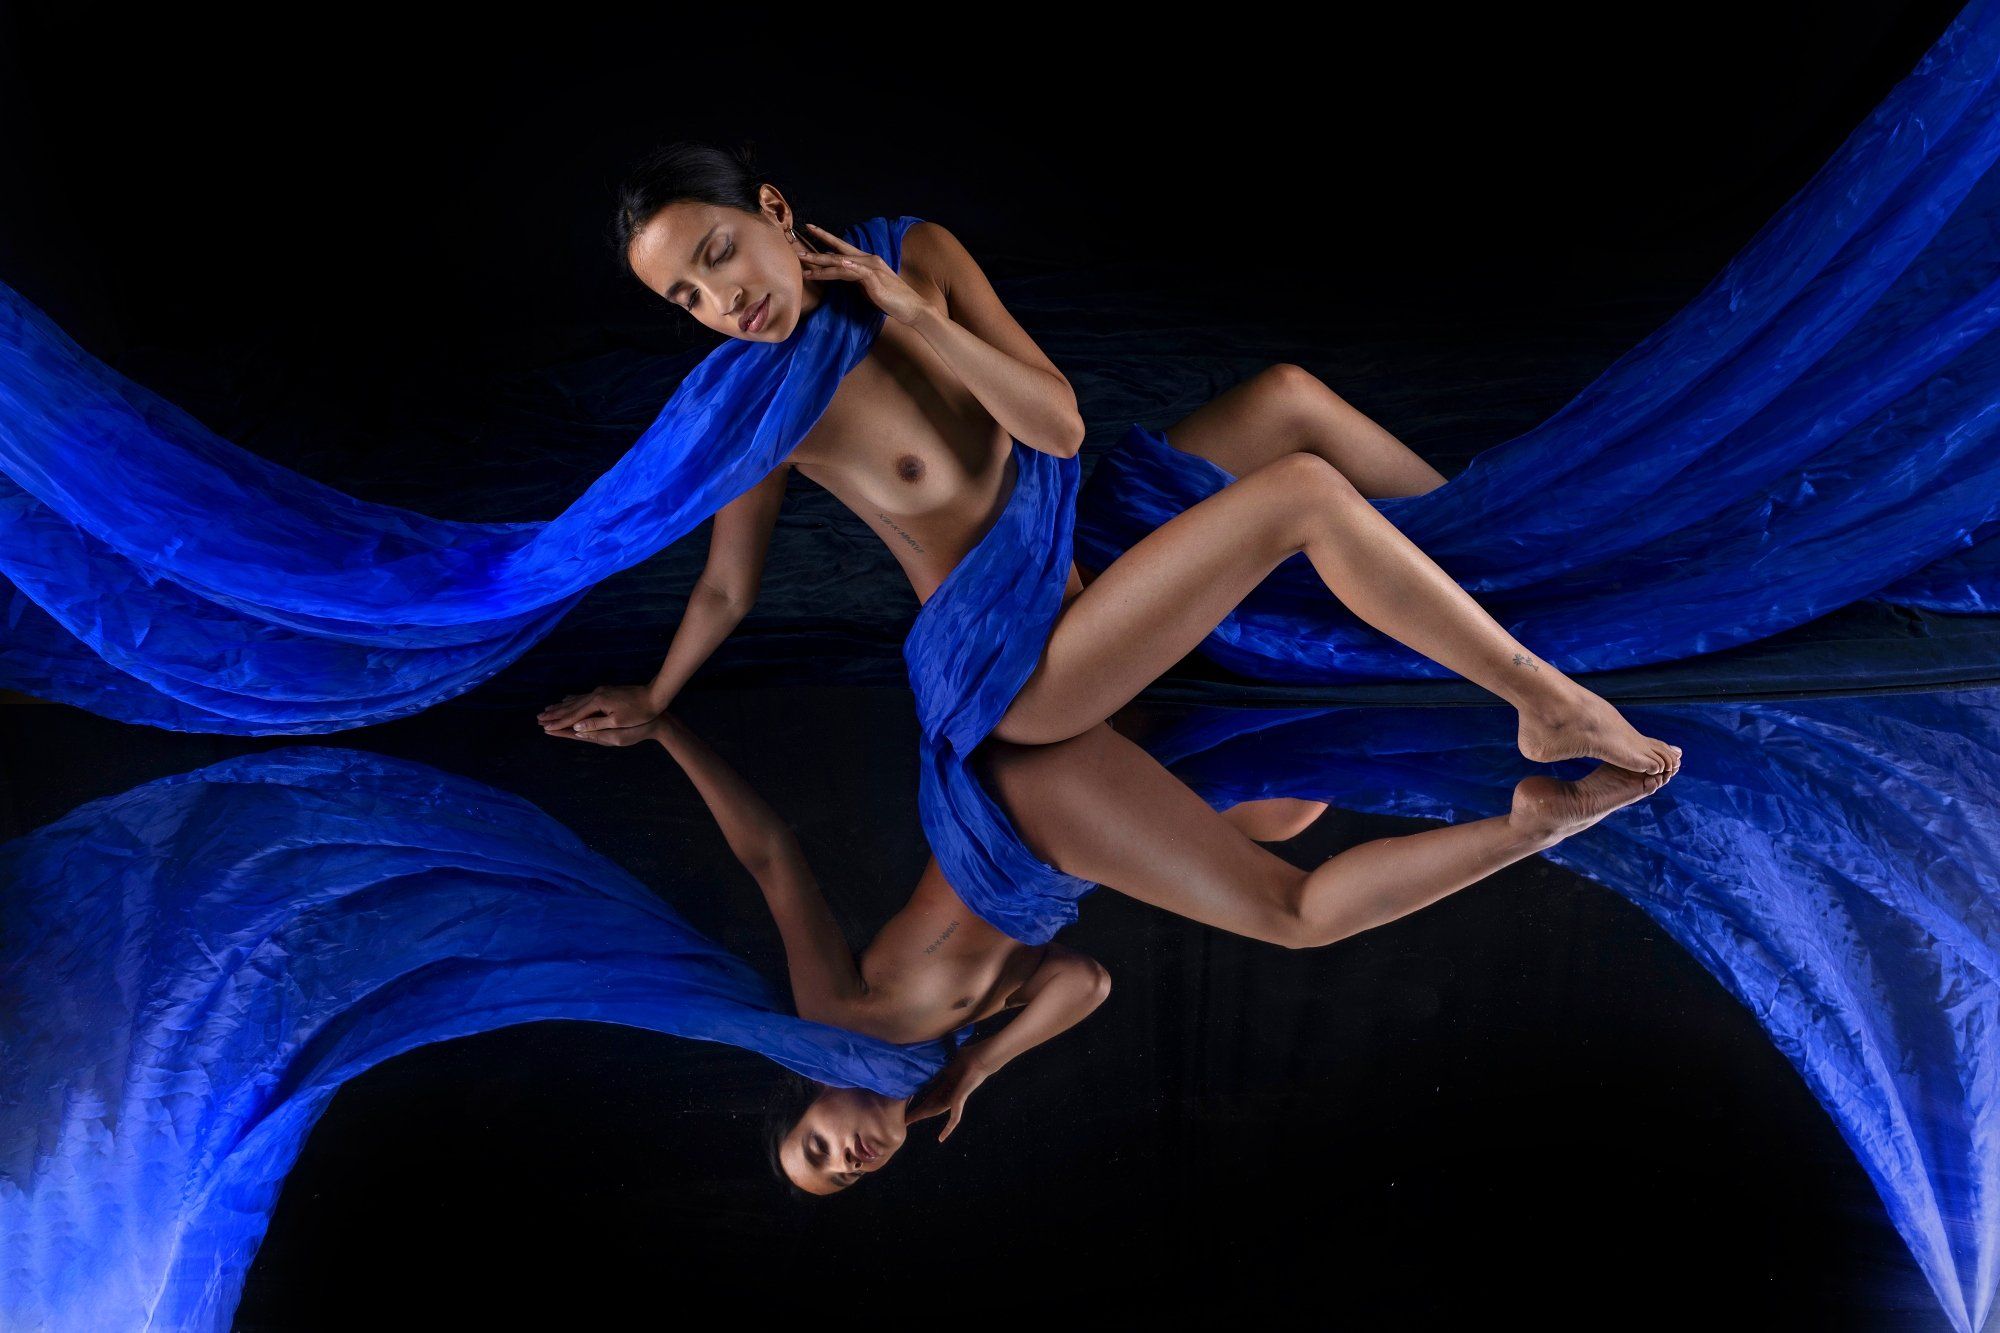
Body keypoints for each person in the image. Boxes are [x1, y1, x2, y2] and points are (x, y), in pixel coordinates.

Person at [537, 142, 1682, 786]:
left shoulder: (915, 254)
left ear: (774, 210)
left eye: (719, 253)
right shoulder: (758, 410)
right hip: (1020, 657)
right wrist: (656, 697)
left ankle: (1498, 584)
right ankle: (1540, 700)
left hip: (1077, 532)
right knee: (1297, 496)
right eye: (686, 297)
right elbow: (727, 585)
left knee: (1286, 400)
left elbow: (1054, 427)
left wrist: (913, 314)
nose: (722, 300)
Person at [572, 703, 1672, 1196]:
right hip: (1064, 847)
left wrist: (666, 726)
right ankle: (1425, 684)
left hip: (1024, 818)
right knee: (1282, 810)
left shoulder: (831, 1024)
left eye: (814, 1149)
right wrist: (976, 1068)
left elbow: (771, 857)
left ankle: (1535, 824)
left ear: (809, 1095)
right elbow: (1082, 979)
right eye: (844, 1179)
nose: (846, 1161)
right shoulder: (943, 1046)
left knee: (1296, 916)